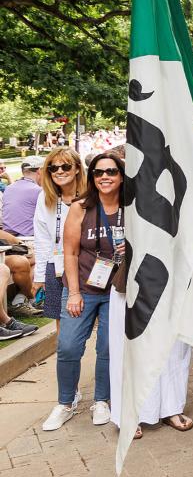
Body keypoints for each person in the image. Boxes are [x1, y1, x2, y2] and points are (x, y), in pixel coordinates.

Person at [42, 152, 124, 432]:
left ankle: (102, 399)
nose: (105, 177)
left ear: (122, 175)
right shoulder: (81, 207)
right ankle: (66, 402)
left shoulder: (131, 207)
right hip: (83, 287)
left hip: (117, 290)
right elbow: (71, 252)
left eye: (111, 172)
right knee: (68, 346)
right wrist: (74, 293)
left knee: (108, 347)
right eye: (99, 172)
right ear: (91, 177)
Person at [33, 149, 87, 327]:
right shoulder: (45, 198)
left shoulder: (91, 194)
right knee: (62, 322)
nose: (59, 171)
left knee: (96, 319)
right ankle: (65, 356)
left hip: (89, 263)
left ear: (77, 168)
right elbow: (42, 239)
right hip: (56, 265)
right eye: (53, 167)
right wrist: (39, 276)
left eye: (65, 166)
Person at [3, 156, 43, 237]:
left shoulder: (9, 188)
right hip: (28, 239)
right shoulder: (38, 191)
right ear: (40, 171)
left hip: (7, 237)